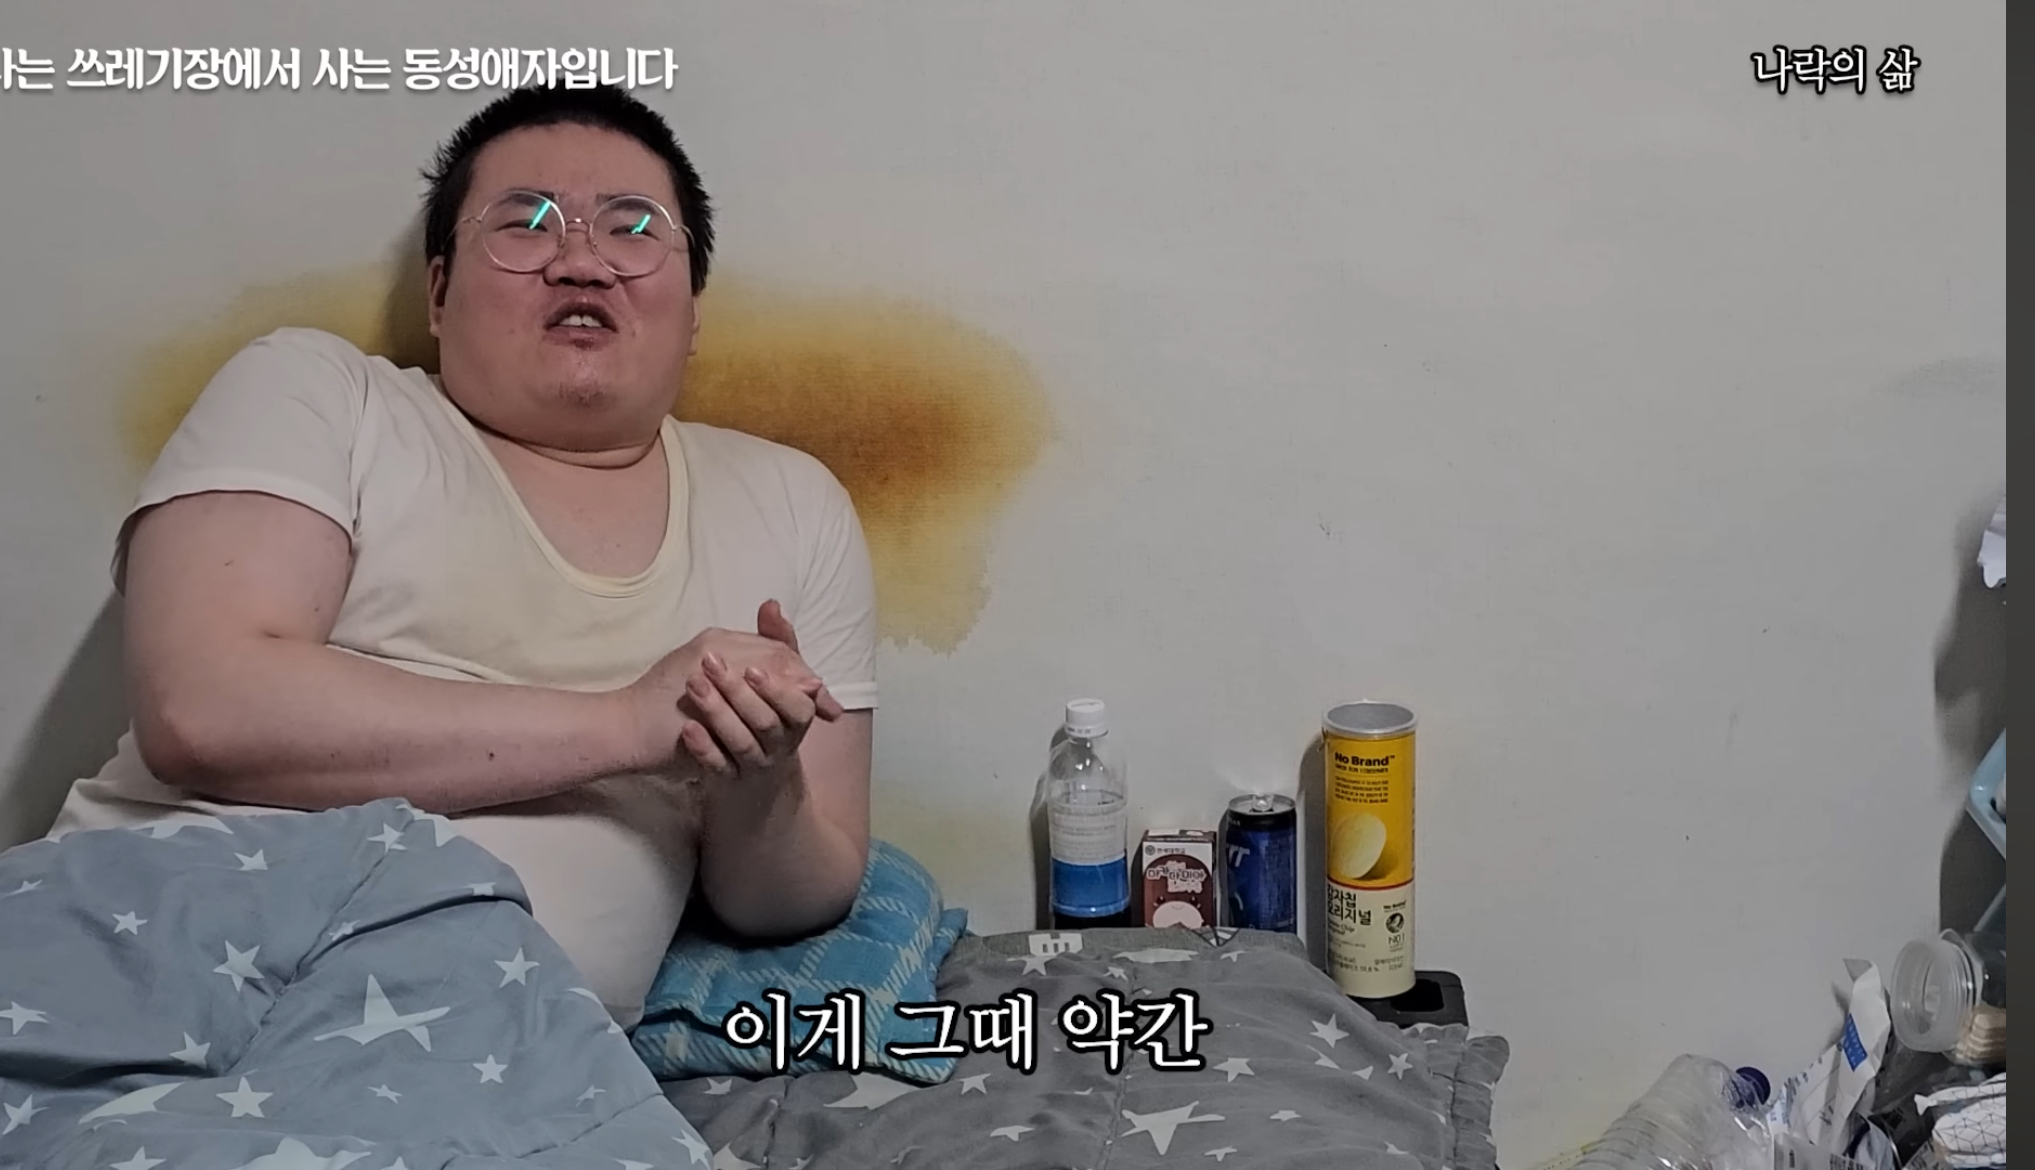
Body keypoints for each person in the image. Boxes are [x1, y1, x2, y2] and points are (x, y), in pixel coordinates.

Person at [45, 84, 879, 1028]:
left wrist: (756, 778)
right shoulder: (321, 394)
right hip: (143, 962)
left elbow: (791, 900)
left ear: (693, 312)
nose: (581, 262)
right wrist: (631, 722)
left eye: (634, 229)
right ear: (439, 293)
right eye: (524, 224)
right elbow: (202, 708)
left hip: (479, 1058)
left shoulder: (790, 503)